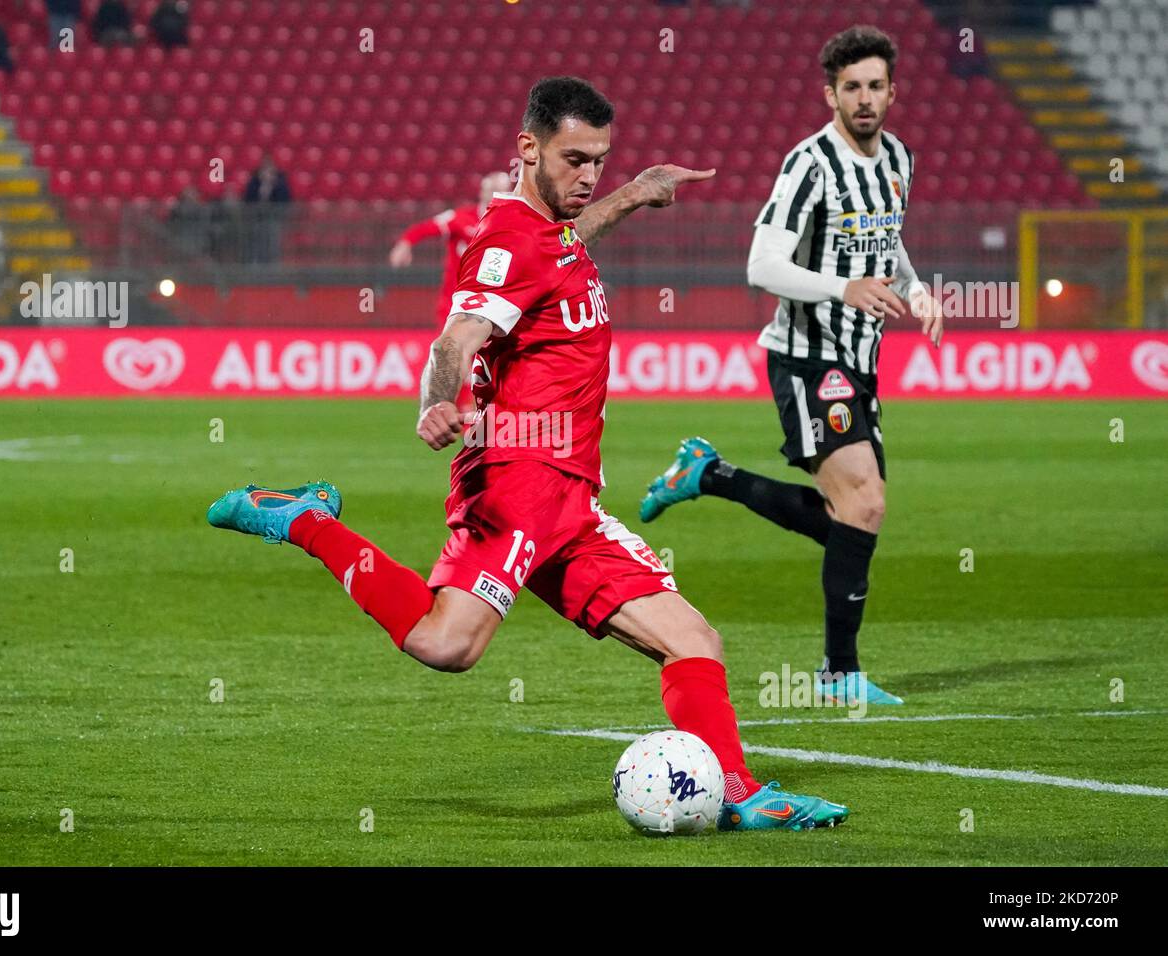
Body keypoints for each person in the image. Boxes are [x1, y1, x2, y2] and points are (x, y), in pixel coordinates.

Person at [206, 76, 849, 832]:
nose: (588, 177)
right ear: (528, 149)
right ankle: (306, 520)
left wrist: (635, 193)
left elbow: (569, 244)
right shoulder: (507, 239)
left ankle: (736, 794)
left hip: (570, 501)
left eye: (600, 162)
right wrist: (437, 403)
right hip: (517, 482)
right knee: (447, 646)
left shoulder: (554, 231)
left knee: (692, 640)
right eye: (574, 159)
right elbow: (456, 338)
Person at [639, 26, 944, 707]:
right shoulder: (809, 164)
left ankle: (708, 474)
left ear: (892, 91)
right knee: (865, 501)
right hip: (807, 357)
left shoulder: (897, 157)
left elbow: (885, 246)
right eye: (851, 87)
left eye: (874, 86)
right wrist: (842, 288)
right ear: (830, 93)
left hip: (862, 358)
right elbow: (762, 265)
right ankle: (838, 674)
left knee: (852, 518)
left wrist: (916, 290)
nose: (864, 99)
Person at [389, 171, 514, 325]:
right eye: (493, 189)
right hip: (455, 302)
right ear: (482, 192)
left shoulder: (512, 223)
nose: (498, 194)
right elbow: (426, 228)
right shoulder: (461, 217)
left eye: (503, 190)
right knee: (449, 347)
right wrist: (405, 242)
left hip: (492, 302)